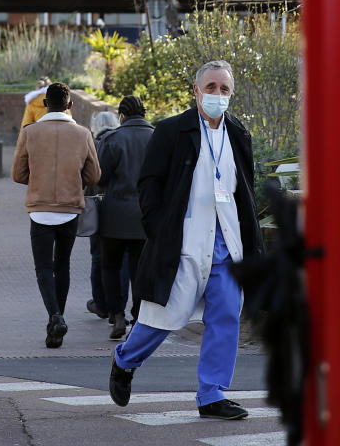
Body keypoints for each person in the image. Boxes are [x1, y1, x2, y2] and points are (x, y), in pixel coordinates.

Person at [108, 60, 264, 420]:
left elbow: (246, 191)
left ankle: (211, 393)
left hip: (227, 242)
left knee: (226, 315)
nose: (217, 95)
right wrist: (159, 229)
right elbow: (149, 185)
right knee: (163, 317)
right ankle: (125, 360)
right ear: (196, 91)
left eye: (224, 89)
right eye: (211, 87)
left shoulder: (238, 133)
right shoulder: (171, 131)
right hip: (184, 242)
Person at [12, 82, 101, 348]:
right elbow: (94, 175)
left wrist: (37, 178)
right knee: (63, 265)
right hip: (70, 209)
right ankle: (57, 321)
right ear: (70, 105)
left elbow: (18, 174)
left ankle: (55, 316)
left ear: (45, 104)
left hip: (40, 210)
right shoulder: (83, 133)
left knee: (43, 268)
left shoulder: (30, 132)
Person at [96, 96, 154, 341]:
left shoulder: (112, 139)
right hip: (145, 216)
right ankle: (139, 315)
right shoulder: (157, 137)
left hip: (114, 217)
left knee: (110, 266)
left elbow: (101, 177)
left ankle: (117, 315)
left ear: (121, 115)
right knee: (139, 269)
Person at [85, 111, 121, 322]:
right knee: (120, 259)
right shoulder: (119, 141)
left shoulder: (93, 144)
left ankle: (100, 302)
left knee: (98, 257)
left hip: (95, 206)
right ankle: (117, 303)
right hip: (118, 206)